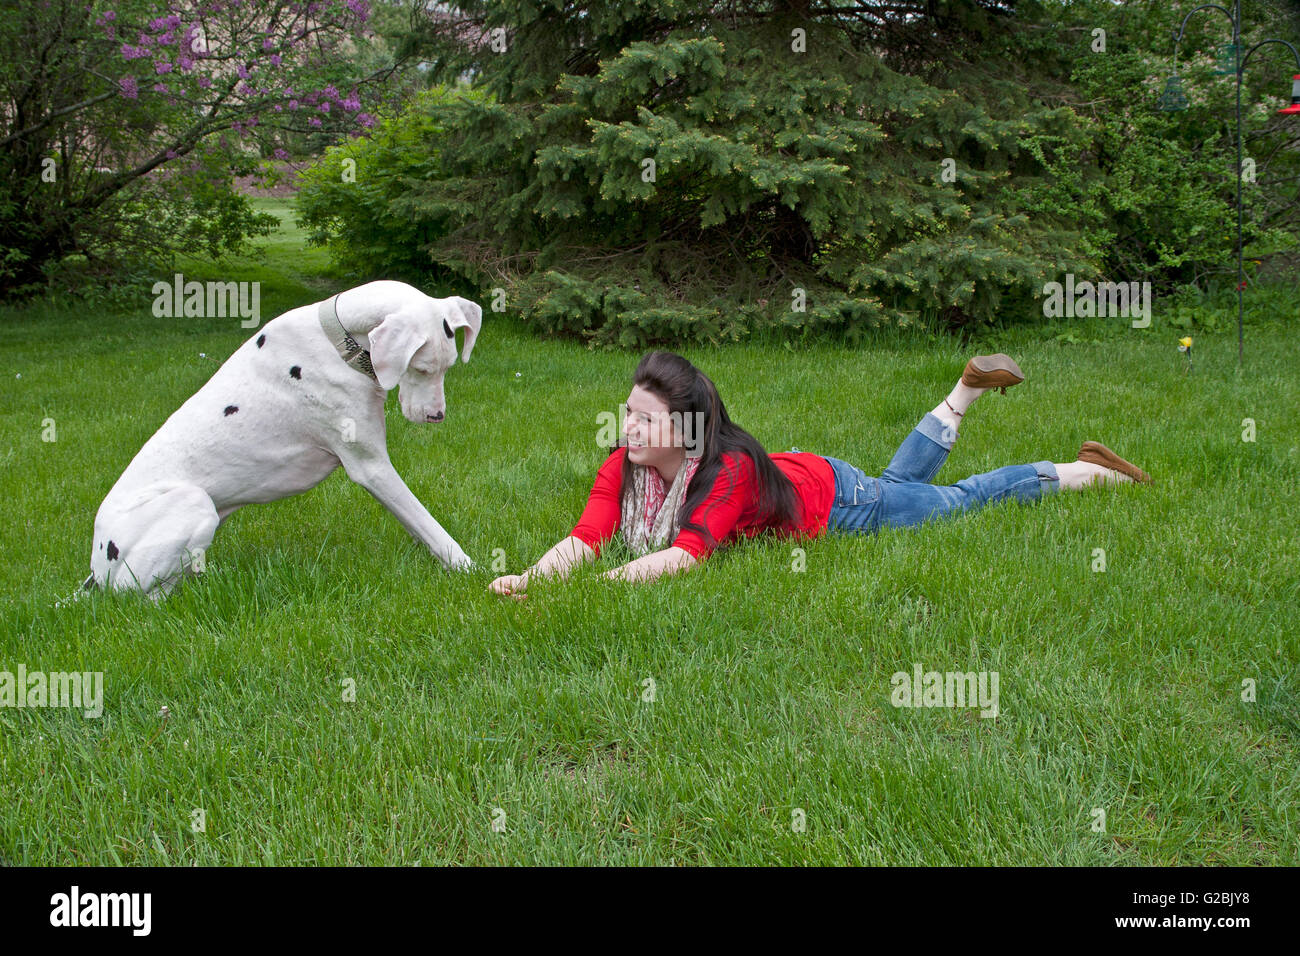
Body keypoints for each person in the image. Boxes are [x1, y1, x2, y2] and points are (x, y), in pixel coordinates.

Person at [488, 351, 1149, 597]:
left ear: (687, 430)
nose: (626, 429)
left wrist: (598, 590)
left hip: (834, 501)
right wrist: (530, 580)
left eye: (644, 420)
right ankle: (965, 392)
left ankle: (1076, 472)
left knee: (951, 504)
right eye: (627, 412)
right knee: (904, 485)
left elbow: (688, 556)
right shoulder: (624, 464)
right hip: (811, 474)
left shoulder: (727, 473)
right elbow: (588, 533)